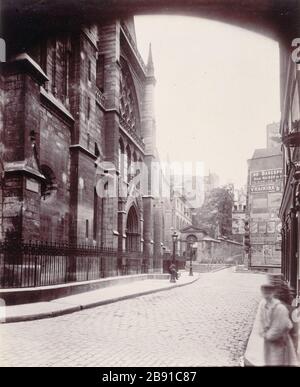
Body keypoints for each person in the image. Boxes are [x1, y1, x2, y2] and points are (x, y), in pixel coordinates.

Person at [258, 283, 299, 366]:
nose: (266, 294)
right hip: (270, 341)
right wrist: (263, 332)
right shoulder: (263, 304)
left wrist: (268, 335)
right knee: (269, 359)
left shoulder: (281, 309)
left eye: (269, 291)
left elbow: (280, 327)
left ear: (273, 293)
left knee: (279, 360)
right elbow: (261, 320)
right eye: (264, 291)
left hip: (280, 341)